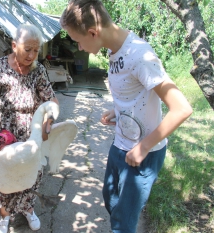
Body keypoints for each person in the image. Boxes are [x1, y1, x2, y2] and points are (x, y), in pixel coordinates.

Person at [60, 1, 193, 232]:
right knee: (110, 198)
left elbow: (182, 108)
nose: (79, 48)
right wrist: (117, 111)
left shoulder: (140, 55)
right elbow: (137, 91)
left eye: (78, 41)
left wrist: (143, 148)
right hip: (120, 144)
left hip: (143, 153)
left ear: (93, 32)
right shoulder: (114, 50)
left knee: (123, 221)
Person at [0, 24, 59, 233]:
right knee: (5, 175)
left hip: (29, 135)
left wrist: (48, 123)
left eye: (36, 50)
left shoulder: (38, 70)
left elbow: (51, 100)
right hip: (3, 136)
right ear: (14, 46)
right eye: (27, 49)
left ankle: (28, 208)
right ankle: (4, 216)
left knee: (30, 173)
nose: (32, 55)